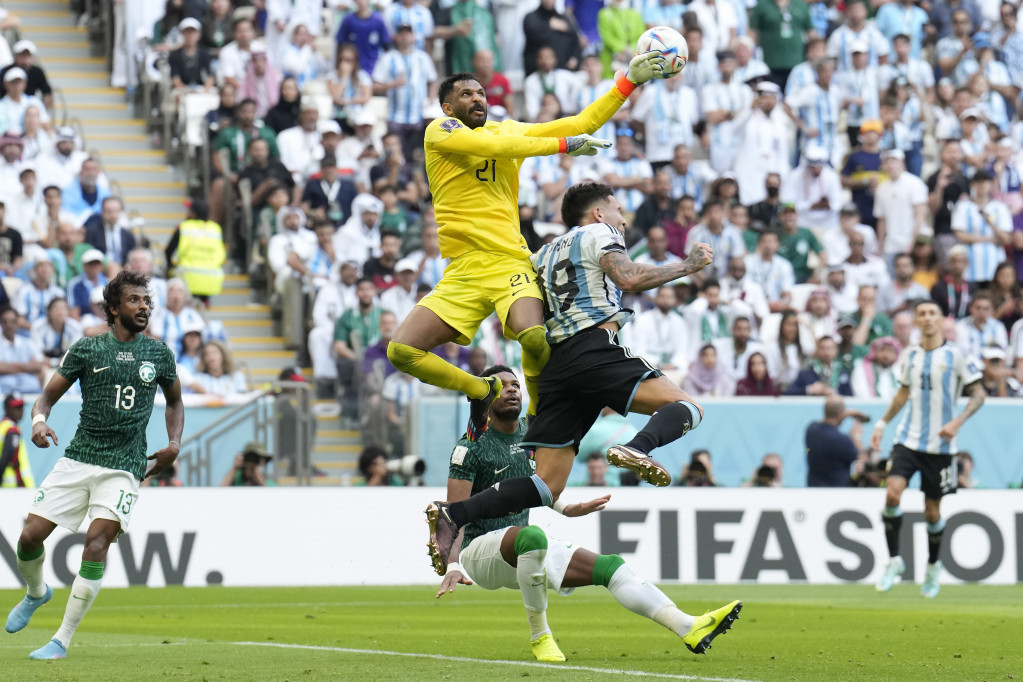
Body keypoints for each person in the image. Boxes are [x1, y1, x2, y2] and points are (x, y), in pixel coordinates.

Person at [425, 182, 714, 574]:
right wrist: (687, 266)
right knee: (689, 406)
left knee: (547, 485)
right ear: (598, 214)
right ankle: (639, 446)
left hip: (557, 366)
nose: (623, 220)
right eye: (617, 210)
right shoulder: (600, 233)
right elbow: (626, 278)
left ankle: (454, 514)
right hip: (593, 346)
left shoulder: (541, 255)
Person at [387, 55, 670, 443]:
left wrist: (628, 82)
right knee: (401, 352)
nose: (477, 98)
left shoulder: (508, 132)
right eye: (466, 94)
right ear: (448, 107)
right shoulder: (441, 130)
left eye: (481, 92)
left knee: (534, 336)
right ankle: (482, 390)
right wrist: (562, 145)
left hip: (509, 263)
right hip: (463, 271)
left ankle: (536, 419)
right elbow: (495, 145)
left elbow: (580, 123)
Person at [436, 365, 741, 660]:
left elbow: (537, 485)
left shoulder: (533, 434)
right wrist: (452, 564)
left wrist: (565, 507)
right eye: (501, 385)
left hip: (526, 547)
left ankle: (686, 625)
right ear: (487, 396)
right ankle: (540, 635)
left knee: (610, 567)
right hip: (480, 552)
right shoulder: (470, 448)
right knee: (532, 536)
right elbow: (454, 513)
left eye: (515, 384)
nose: (512, 389)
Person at [5, 269, 182, 659]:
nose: (144, 306)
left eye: (147, 301)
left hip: (124, 464)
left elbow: (175, 402)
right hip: (78, 458)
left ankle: (61, 640)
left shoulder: (159, 354)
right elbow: (45, 398)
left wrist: (173, 443)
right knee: (29, 538)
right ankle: (37, 593)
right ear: (114, 308)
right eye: (135, 300)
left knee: (96, 542)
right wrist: (37, 422)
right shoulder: (87, 349)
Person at [870, 300, 986, 598]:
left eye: (932, 313)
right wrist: (882, 423)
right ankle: (895, 561)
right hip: (907, 439)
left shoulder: (956, 355)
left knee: (931, 512)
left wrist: (957, 423)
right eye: (921, 314)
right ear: (918, 321)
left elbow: (979, 393)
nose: (927, 318)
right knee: (892, 493)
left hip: (941, 446)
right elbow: (903, 392)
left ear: (940, 319)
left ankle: (933, 567)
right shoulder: (910, 355)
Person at [805, 395, 867, 487]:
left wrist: (843, 413)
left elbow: (825, 420)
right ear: (840, 414)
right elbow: (863, 459)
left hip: (814, 490)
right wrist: (856, 437)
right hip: (837, 493)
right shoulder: (842, 440)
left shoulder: (811, 430)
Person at [0, 392, 34, 487]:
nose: (21, 410)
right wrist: (20, 483)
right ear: (7, 408)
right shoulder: (12, 429)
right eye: (17, 407)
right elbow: (8, 457)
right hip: (16, 485)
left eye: (22, 406)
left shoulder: (2, 426)